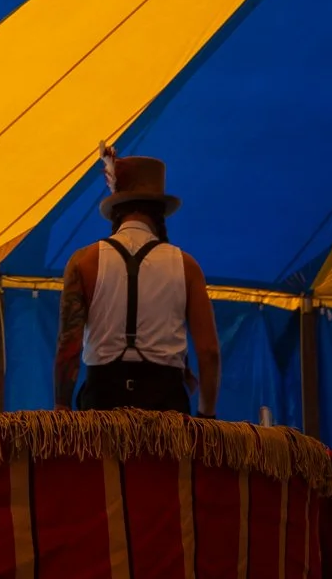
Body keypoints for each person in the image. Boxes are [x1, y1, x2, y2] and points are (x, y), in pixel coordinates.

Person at [52, 154, 218, 415]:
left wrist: (62, 405)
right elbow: (209, 352)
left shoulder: (84, 261)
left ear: (115, 209)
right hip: (167, 409)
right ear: (160, 212)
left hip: (101, 406)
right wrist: (207, 415)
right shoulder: (186, 266)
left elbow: (68, 344)